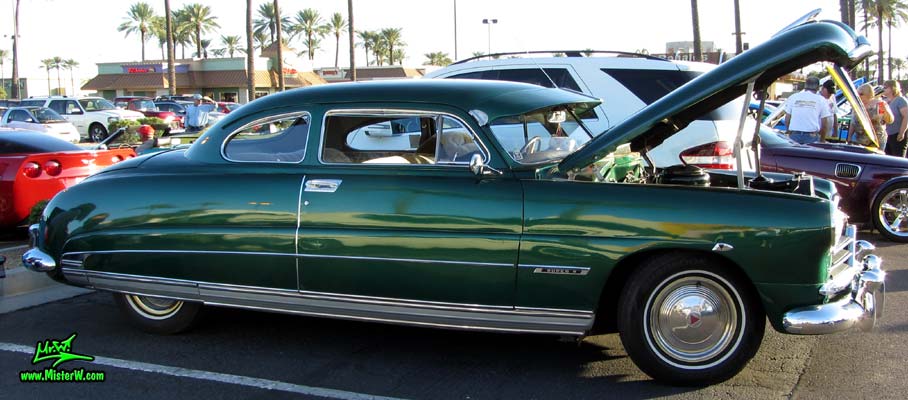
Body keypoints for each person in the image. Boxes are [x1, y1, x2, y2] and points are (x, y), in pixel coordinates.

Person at [784, 76, 831, 144]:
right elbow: (824, 123)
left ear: (805, 85)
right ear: (818, 87)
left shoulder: (793, 97)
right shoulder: (821, 100)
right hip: (812, 136)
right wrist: (822, 139)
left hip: (794, 135)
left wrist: (789, 131)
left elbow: (787, 118)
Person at [848, 83, 894, 149]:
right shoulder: (857, 106)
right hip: (860, 140)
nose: (859, 96)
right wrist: (849, 137)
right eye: (857, 94)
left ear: (869, 94)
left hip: (877, 141)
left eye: (861, 94)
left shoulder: (879, 104)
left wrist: (885, 112)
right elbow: (853, 123)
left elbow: (890, 120)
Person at [883, 80, 908, 157]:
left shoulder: (900, 100)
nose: (883, 89)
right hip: (887, 135)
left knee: (898, 159)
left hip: (897, 135)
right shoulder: (885, 101)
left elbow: (906, 116)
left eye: (885, 87)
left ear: (892, 88)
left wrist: (902, 132)